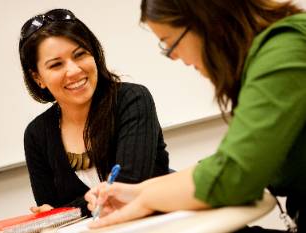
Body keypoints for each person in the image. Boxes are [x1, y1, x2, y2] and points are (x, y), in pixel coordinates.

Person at [84, 0, 306, 231]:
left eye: (170, 44)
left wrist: (146, 200)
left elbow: (235, 174)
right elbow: (229, 161)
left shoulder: (285, 50)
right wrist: (139, 192)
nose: (176, 57)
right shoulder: (279, 49)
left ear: (206, 19)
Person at [18, 8, 169, 217]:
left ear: (94, 54)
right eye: (56, 65)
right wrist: (56, 213)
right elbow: (49, 213)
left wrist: (67, 211)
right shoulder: (37, 134)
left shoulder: (132, 99)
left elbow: (127, 188)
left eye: (80, 54)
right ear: (38, 78)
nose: (73, 70)